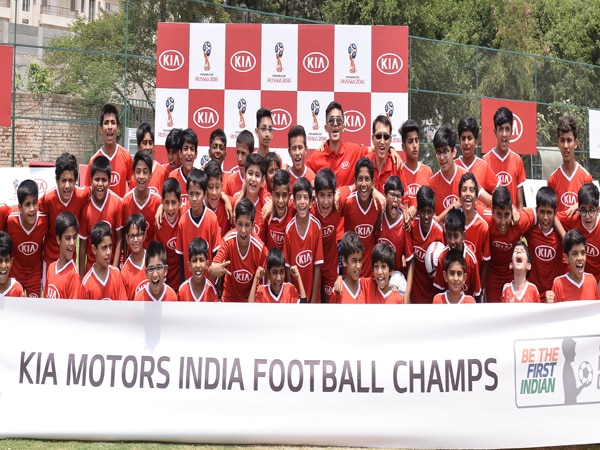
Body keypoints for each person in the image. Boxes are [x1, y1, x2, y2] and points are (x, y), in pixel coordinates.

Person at [209, 198, 268, 302]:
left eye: (247, 225)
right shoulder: (228, 241)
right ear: (235, 222)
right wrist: (213, 270)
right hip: (229, 298)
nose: (243, 230)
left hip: (250, 299)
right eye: (240, 224)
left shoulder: (260, 249)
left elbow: (267, 278)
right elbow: (211, 271)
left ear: (253, 226)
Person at [485, 186, 535, 303]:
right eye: (498, 215)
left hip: (513, 275)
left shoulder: (520, 220)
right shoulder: (485, 219)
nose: (503, 222)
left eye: (507, 215)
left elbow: (538, 214)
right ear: (492, 212)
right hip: (493, 277)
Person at [39, 153, 90, 267]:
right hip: (50, 260)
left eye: (71, 180)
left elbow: (95, 191)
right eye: (63, 180)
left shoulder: (81, 195)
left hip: (70, 260)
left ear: (76, 180)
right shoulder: (48, 199)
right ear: (57, 180)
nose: (67, 185)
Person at [306, 101, 370, 188]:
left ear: (343, 127)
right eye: (331, 120)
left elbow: (377, 149)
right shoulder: (317, 156)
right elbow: (303, 178)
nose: (335, 123)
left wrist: (391, 148)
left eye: (339, 120)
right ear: (326, 128)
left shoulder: (353, 150)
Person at [175, 168, 222, 284]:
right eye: (191, 194)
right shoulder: (182, 222)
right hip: (189, 286)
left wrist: (216, 287)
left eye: (198, 194)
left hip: (208, 286)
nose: (194, 198)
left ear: (205, 194)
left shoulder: (212, 219)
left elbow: (216, 257)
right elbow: (181, 259)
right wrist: (182, 285)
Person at [78, 156, 123, 274]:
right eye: (97, 179)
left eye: (104, 180)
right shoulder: (85, 208)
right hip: (91, 269)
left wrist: (115, 268)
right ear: (91, 180)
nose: (100, 184)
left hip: (110, 267)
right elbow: (82, 246)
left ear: (110, 181)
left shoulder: (116, 203)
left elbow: (119, 239)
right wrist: (82, 276)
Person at [283, 177, 323, 304]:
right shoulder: (289, 230)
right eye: (298, 197)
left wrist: (313, 300)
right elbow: (288, 268)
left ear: (311, 202)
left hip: (313, 296)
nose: (302, 202)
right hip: (295, 298)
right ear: (293, 203)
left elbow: (317, 266)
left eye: (305, 197)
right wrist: (292, 297)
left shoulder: (316, 227)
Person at [340, 157, 382, 278]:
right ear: (355, 181)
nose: (363, 184)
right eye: (360, 179)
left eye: (367, 179)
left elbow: (395, 203)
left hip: (369, 275)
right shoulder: (348, 203)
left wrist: (407, 211)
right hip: (349, 275)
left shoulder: (378, 204)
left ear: (373, 182)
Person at [6, 179, 48, 298]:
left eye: (35, 203)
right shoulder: (10, 221)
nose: (32, 209)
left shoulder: (44, 221)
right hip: (15, 273)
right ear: (19, 207)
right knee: (14, 310)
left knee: (33, 311)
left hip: (34, 274)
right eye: (27, 204)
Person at [524, 186, 564, 302]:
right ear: (537, 210)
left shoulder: (561, 233)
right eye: (542, 212)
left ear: (555, 213)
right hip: (533, 293)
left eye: (549, 213)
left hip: (554, 295)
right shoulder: (530, 230)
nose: (545, 217)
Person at [433, 208, 481, 301]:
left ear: (463, 236)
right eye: (449, 235)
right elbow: (439, 290)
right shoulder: (442, 256)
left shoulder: (471, 259)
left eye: (456, 236)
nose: (452, 241)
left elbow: (477, 293)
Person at [482, 106, 526, 208]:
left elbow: (519, 203)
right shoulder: (485, 161)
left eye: (507, 129)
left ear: (512, 132)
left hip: (511, 221)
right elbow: (483, 202)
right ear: (495, 132)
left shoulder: (517, 161)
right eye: (501, 129)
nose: (504, 134)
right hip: (492, 221)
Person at [406, 186, 444, 304]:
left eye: (429, 212)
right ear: (418, 210)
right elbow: (409, 260)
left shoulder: (438, 232)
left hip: (433, 294)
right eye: (423, 212)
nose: (426, 217)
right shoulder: (411, 226)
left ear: (433, 211)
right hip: (415, 293)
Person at [86, 104, 133, 198]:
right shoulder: (93, 161)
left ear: (118, 128)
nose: (110, 127)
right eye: (106, 122)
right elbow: (88, 192)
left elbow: (133, 189)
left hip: (120, 212)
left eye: (113, 122)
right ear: (101, 129)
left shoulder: (126, 157)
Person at [547, 115, 593, 212]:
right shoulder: (552, 180)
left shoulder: (586, 178)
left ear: (576, 143)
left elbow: (591, 211)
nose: (566, 146)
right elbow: (551, 215)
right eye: (562, 140)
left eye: (569, 140)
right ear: (558, 144)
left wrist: (580, 205)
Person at [557, 182, 600, 284]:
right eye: (583, 210)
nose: (587, 216)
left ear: (598, 210)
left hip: (596, 280)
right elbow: (553, 216)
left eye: (591, 210)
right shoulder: (573, 218)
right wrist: (566, 238)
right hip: (575, 278)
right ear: (579, 210)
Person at [311, 168, 342, 303]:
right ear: (315, 195)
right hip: (312, 268)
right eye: (322, 195)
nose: (325, 202)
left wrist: (376, 192)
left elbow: (353, 187)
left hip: (330, 266)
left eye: (329, 195)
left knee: (332, 306)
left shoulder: (338, 203)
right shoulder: (308, 210)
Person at [121, 151, 162, 250]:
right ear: (133, 175)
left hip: (151, 261)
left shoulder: (157, 202)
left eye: (145, 171)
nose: (141, 176)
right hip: (132, 260)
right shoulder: (126, 202)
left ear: (151, 176)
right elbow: (123, 235)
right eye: (138, 171)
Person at [455, 116, 497, 210]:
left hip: (478, 222)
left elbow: (499, 194)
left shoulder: (483, 166)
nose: (466, 142)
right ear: (459, 141)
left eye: (469, 138)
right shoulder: (453, 167)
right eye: (463, 138)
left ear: (476, 142)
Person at [458, 173, 490, 288]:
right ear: (459, 196)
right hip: (454, 286)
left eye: (471, 190)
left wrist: (480, 287)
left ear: (476, 198)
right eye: (464, 190)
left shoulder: (483, 227)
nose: (467, 194)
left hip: (473, 287)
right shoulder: (452, 223)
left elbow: (486, 261)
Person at [548, 229, 599, 302]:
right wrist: (549, 303)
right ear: (566, 258)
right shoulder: (558, 284)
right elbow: (554, 312)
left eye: (583, 252)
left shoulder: (591, 280)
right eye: (575, 254)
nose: (580, 258)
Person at [429, 126, 467, 219]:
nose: (442, 157)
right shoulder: (432, 183)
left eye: (445, 151)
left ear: (453, 152)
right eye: (438, 152)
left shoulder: (466, 178)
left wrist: (440, 218)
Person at [82, 221, 127, 301]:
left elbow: (123, 308)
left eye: (110, 246)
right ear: (94, 249)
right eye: (104, 248)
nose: (108, 252)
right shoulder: (86, 284)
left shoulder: (116, 275)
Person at [44, 211, 85, 299]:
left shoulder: (73, 276)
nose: (72, 243)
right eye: (67, 238)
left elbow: (72, 311)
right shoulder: (51, 268)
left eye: (74, 238)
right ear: (58, 240)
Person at [377, 175, 413, 272]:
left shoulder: (404, 225)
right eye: (392, 195)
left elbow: (410, 260)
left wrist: (407, 288)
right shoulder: (378, 216)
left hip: (395, 275)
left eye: (398, 196)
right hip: (376, 273)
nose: (395, 199)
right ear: (385, 196)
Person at [368, 115, 408, 201]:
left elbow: (404, 203)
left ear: (390, 140)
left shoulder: (397, 166)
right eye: (378, 136)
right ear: (372, 139)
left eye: (386, 137)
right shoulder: (365, 163)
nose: (382, 141)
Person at [232, 153, 269, 244]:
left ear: (262, 180)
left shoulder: (266, 205)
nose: (253, 179)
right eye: (250, 173)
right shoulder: (235, 200)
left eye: (257, 175)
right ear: (244, 175)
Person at [154, 178, 182, 292]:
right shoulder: (158, 222)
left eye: (174, 202)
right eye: (166, 203)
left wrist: (224, 197)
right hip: (166, 284)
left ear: (180, 202)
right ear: (162, 202)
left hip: (182, 282)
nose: (170, 208)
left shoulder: (186, 216)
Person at [400, 119, 432, 214]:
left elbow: (431, 203)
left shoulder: (428, 172)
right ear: (403, 146)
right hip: (405, 226)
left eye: (416, 140)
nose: (415, 145)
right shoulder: (399, 171)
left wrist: (417, 209)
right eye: (410, 141)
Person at [177, 238, 219, 302]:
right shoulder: (182, 290)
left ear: (207, 264)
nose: (198, 265)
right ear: (189, 265)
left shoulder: (211, 291)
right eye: (194, 260)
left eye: (201, 260)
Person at [331, 231, 365, 304]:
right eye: (354, 261)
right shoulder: (337, 291)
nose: (358, 266)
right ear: (344, 261)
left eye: (360, 260)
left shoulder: (366, 286)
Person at [134, 122, 167, 196]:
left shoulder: (162, 172)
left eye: (150, 143)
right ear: (138, 147)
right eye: (144, 143)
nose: (148, 147)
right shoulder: (134, 173)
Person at [169, 128, 198, 208]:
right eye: (185, 149)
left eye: (192, 149)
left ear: (196, 154)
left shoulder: (200, 177)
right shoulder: (173, 176)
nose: (189, 153)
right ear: (180, 153)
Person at [121, 213, 148, 299]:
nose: (135, 240)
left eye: (139, 235)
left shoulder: (153, 261)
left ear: (145, 236)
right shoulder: (124, 272)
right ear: (127, 238)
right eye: (132, 236)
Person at [266, 169, 294, 250]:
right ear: (272, 195)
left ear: (289, 196)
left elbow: (308, 191)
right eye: (277, 195)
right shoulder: (267, 213)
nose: (281, 200)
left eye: (284, 195)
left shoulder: (294, 208)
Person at [204, 160, 232, 238]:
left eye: (217, 187)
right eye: (210, 187)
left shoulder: (229, 204)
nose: (214, 192)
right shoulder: (197, 205)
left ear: (222, 186)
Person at [224, 130, 253, 196]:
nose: (239, 158)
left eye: (243, 153)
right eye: (237, 152)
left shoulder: (258, 181)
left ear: (251, 154)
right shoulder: (231, 181)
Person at [0, 232, 24, 297]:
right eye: (0, 261)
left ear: (11, 261)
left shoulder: (17, 289)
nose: (3, 266)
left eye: (7, 260)